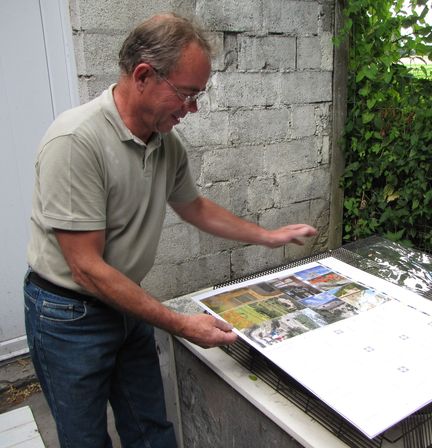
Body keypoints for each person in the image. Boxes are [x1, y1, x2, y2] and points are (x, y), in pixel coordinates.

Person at [24, 12, 317, 448]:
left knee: (151, 430)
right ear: (143, 75)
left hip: (125, 300)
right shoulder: (76, 142)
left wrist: (268, 235)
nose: (192, 109)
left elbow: (194, 207)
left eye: (198, 96)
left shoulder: (165, 144)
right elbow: (84, 267)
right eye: (186, 94)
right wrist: (181, 324)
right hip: (69, 315)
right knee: (84, 439)